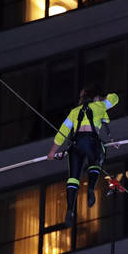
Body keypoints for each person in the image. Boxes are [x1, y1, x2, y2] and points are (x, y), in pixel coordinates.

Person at [47, 84, 120, 227]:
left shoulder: (74, 112)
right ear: (94, 97)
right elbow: (115, 98)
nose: (80, 98)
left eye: (81, 96)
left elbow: (62, 132)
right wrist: (101, 98)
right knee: (98, 157)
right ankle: (91, 187)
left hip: (76, 145)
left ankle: (70, 209)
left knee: (73, 178)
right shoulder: (100, 106)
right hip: (91, 142)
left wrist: (52, 152)